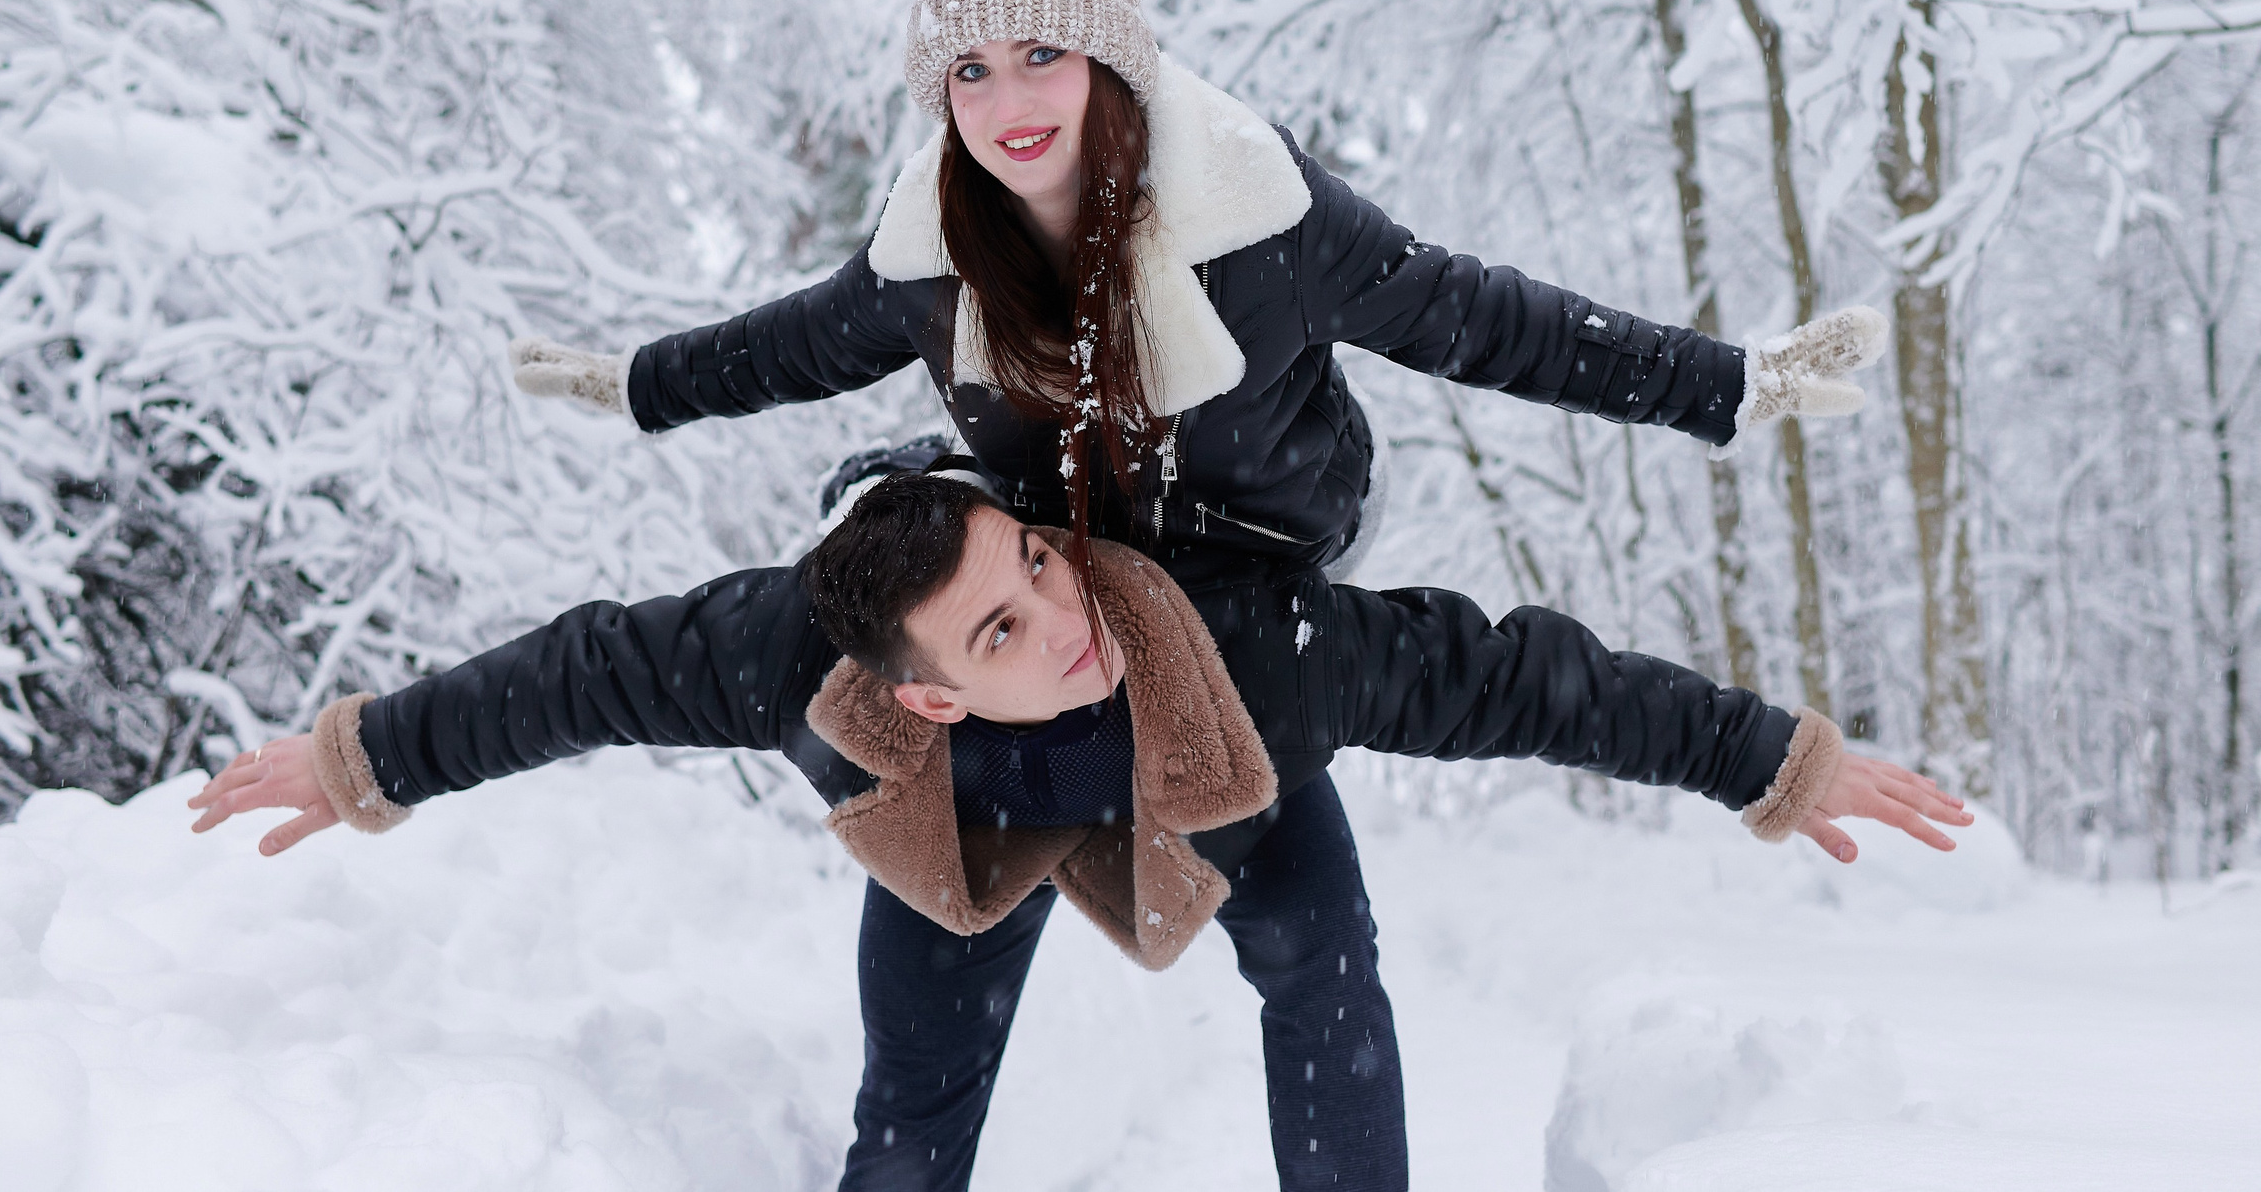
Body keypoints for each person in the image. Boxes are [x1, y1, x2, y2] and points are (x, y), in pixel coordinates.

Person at [187, 0, 1934, 1189]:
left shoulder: (1260, 231)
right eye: (968, 64)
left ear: (1112, 54)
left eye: (1045, 50)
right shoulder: (876, 542)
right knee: (920, 1074)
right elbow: (620, 630)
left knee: (1322, 963)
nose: (1009, 94)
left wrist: (1728, 401)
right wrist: (388, 732)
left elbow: (1497, 479)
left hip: (1221, 596)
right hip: (1003, 604)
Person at [186, 472, 1968, 1191]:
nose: (1063, 614)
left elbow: (1525, 679)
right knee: (914, 1101)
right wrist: (366, 761)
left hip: (1214, 788)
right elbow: (574, 675)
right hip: (974, 836)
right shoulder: (791, 661)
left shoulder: (1240, 648)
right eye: (1002, 628)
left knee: (1324, 986)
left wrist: (1772, 760)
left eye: (1035, 560)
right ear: (924, 689)